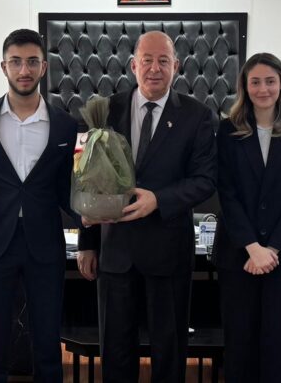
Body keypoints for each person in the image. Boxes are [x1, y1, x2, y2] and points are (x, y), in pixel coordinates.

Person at [77, 31, 217, 383]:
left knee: (169, 352)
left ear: (176, 66)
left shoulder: (197, 116)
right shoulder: (106, 109)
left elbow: (205, 180)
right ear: (133, 65)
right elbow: (86, 176)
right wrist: (87, 242)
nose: (155, 68)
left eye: (163, 61)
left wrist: (159, 200)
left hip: (169, 252)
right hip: (115, 251)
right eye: (147, 60)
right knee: (115, 351)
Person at [0, 29, 77, 382]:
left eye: (32, 62)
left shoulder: (65, 125)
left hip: (45, 244)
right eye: (16, 62)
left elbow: (66, 189)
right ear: (4, 67)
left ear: (44, 67)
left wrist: (93, 219)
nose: (24, 70)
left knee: (47, 342)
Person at [215, 53, 281, 382]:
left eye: (270, 81)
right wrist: (252, 246)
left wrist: (271, 249)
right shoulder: (227, 130)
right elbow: (226, 192)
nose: (263, 89)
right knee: (240, 344)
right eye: (255, 82)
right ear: (244, 86)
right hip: (238, 256)